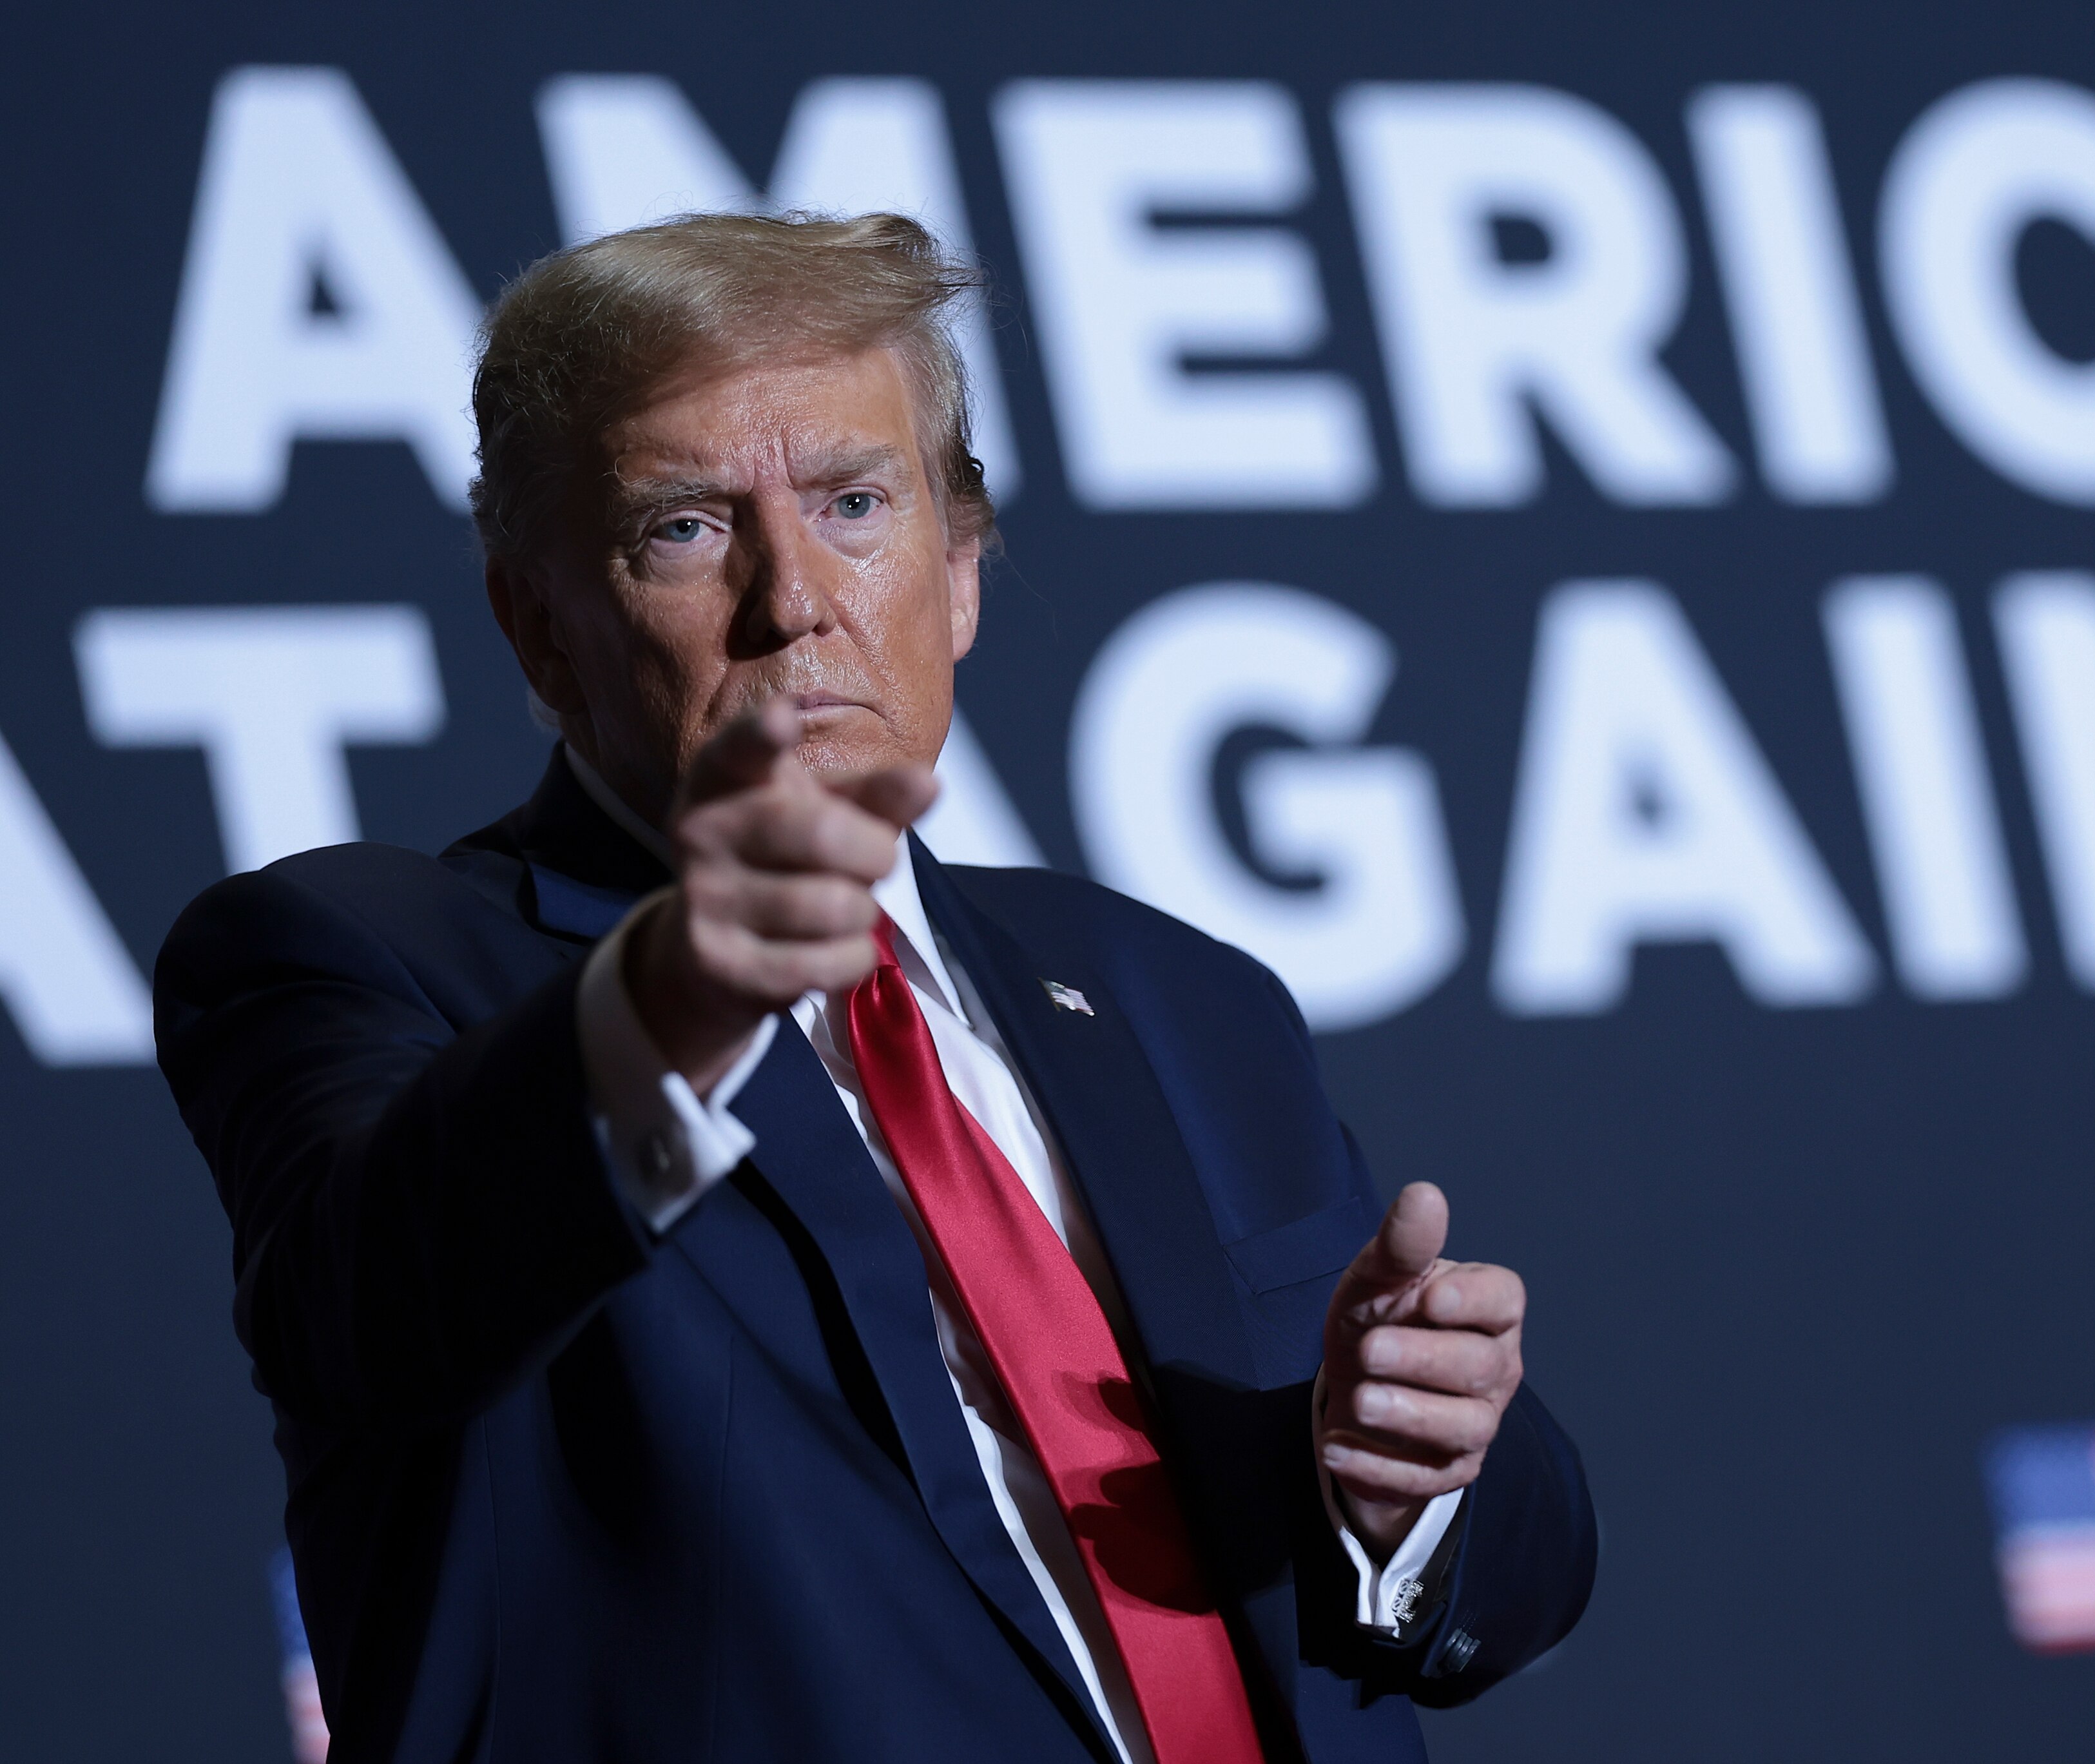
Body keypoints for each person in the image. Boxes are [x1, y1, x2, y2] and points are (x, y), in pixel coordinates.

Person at [155, 212, 1594, 1764]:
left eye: (855, 502)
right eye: (688, 528)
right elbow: (375, 1307)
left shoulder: (1178, 994)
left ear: (959, 574)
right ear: (540, 625)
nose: (796, 600)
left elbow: (1511, 1589)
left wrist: (1408, 1487)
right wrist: (675, 997)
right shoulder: (364, 955)